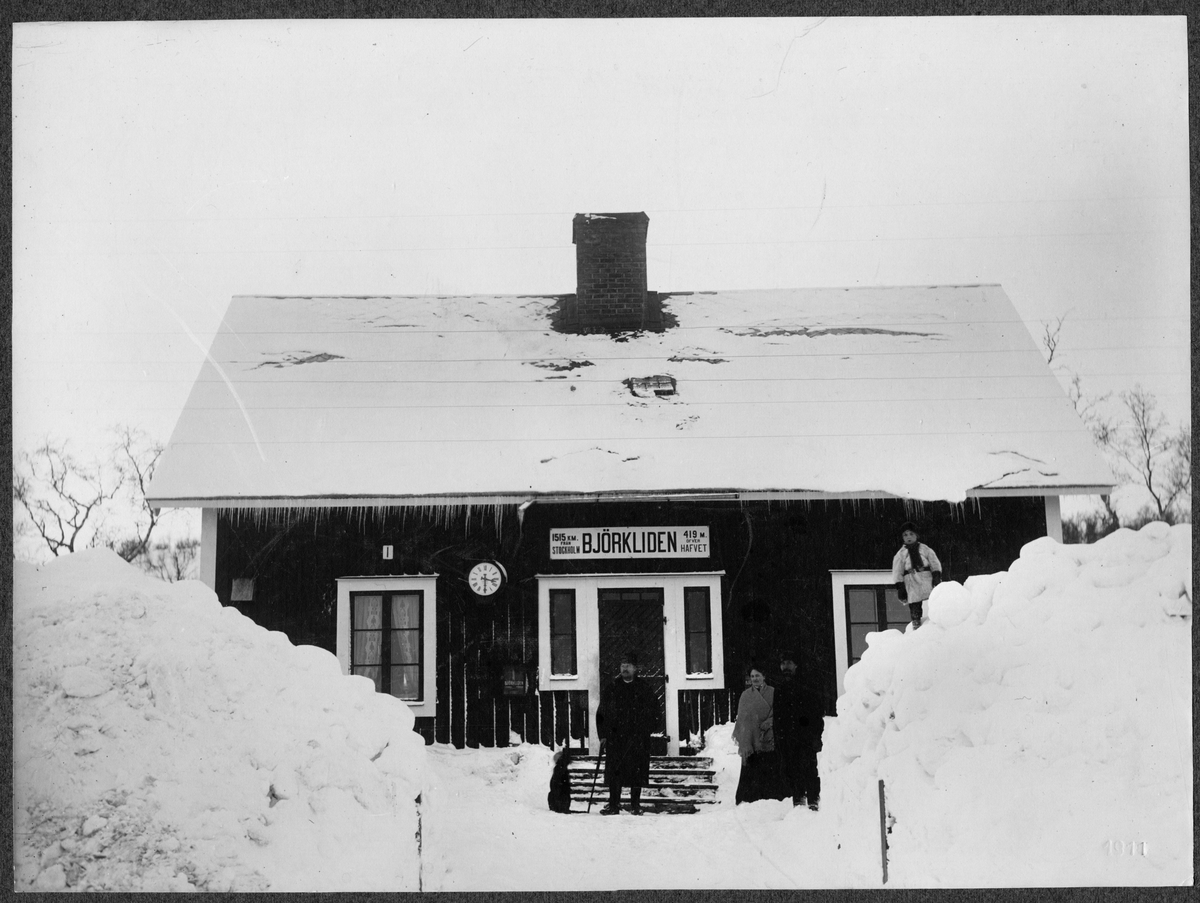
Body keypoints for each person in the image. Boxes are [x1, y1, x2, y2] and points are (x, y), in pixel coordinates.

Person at [594, 651, 656, 815]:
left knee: (637, 772)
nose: (625, 668)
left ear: (635, 668)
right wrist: (603, 735)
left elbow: (655, 712)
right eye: (622, 665)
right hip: (616, 739)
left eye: (628, 665)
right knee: (615, 772)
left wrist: (646, 730)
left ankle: (635, 805)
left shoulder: (644, 689)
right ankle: (614, 805)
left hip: (637, 739)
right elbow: (601, 713)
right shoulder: (612, 688)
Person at [773, 651, 822, 810]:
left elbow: (816, 712)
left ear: (796, 665)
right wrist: (779, 737)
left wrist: (815, 736)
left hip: (806, 737)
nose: (785, 667)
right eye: (783, 663)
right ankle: (798, 802)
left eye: (789, 663)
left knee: (809, 769)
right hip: (788, 738)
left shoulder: (807, 685)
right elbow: (778, 716)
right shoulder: (779, 688)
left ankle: (813, 802)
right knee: (792, 770)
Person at [732, 664, 787, 804]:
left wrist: (770, 722)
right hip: (752, 738)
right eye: (752, 676)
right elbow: (742, 718)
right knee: (753, 767)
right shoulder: (745, 695)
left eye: (757, 675)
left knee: (771, 766)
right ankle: (751, 798)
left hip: (770, 736)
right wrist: (747, 735)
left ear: (764, 676)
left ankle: (773, 797)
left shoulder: (774, 692)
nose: (755, 679)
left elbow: (780, 712)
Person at [891, 521, 942, 629]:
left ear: (916, 535)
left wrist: (936, 575)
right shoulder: (901, 554)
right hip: (911, 580)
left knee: (933, 598)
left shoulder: (925, 549)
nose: (908, 537)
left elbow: (934, 562)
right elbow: (897, 570)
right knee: (914, 603)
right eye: (905, 535)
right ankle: (916, 622)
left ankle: (936, 620)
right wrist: (900, 587)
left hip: (926, 578)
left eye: (911, 534)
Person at [546, 746, 574, 813]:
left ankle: (559, 807)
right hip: (561, 799)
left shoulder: (558, 768)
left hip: (558, 800)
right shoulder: (562, 769)